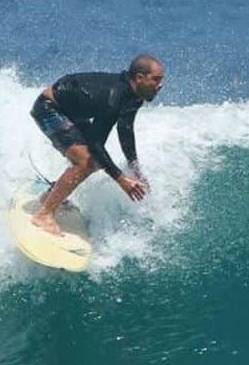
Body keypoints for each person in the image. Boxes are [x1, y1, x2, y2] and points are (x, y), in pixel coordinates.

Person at [29, 54, 164, 235]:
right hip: (49, 109)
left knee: (93, 161)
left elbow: (125, 131)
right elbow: (96, 144)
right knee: (87, 161)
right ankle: (44, 215)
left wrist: (136, 169)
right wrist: (122, 180)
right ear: (139, 78)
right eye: (156, 80)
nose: (160, 85)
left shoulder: (134, 96)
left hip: (71, 113)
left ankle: (49, 196)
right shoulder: (114, 97)